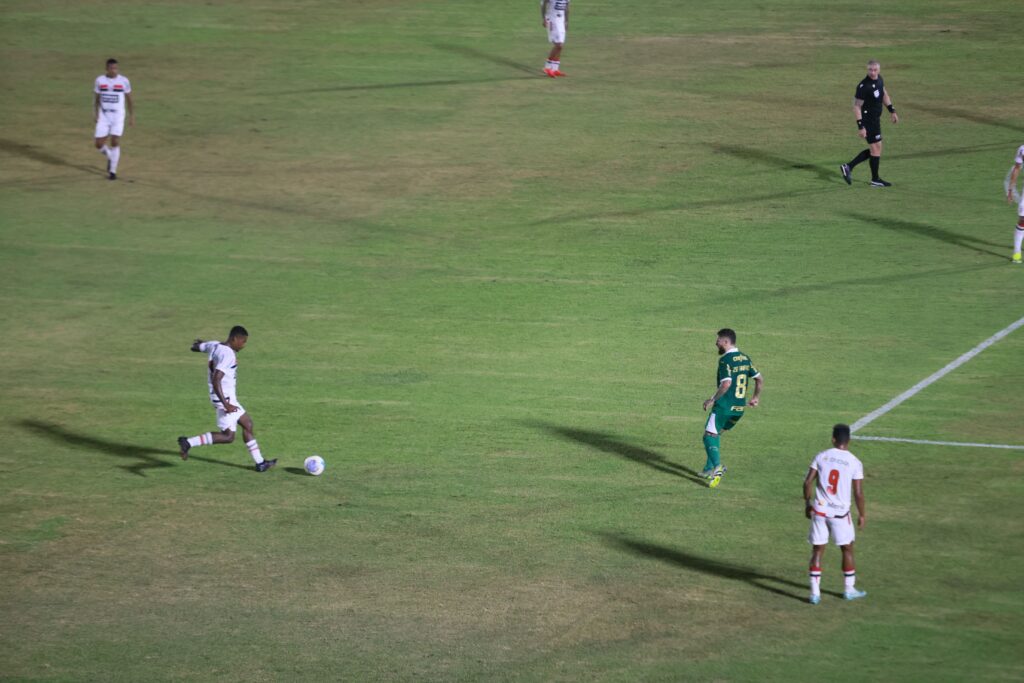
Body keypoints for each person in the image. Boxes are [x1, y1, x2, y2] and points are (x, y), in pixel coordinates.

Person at [177, 326, 277, 472]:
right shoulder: (228, 354)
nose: (243, 345)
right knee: (228, 437)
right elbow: (217, 379)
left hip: (225, 398)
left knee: (247, 424)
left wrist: (199, 344)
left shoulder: (215, 345)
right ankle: (188, 442)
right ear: (235, 339)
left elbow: (195, 347)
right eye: (243, 342)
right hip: (225, 399)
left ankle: (260, 463)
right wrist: (227, 404)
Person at [803, 424, 867, 604]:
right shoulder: (855, 462)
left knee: (817, 549)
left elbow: (807, 482)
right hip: (839, 514)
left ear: (833, 439)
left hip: (820, 510)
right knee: (847, 548)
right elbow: (859, 493)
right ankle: (849, 589)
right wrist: (862, 514)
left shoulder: (822, 456)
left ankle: (814, 594)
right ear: (849, 441)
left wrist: (808, 504)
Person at [700, 328, 763, 488]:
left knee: (708, 436)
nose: (716, 342)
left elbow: (726, 384)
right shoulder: (745, 358)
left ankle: (717, 467)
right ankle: (708, 469)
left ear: (726, 342)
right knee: (717, 433)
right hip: (739, 409)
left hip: (724, 406)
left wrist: (712, 399)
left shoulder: (725, 360)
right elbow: (759, 379)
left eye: (718, 340)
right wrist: (755, 398)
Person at [840, 60, 899, 188]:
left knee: (877, 148)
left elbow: (883, 94)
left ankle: (849, 167)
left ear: (879, 70)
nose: (872, 72)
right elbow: (856, 107)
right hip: (868, 120)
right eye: (870, 70)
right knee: (876, 148)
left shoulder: (879, 80)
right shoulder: (864, 86)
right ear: (867, 70)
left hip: (875, 119)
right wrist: (861, 126)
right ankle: (874, 179)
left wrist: (892, 110)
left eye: (875, 70)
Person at [93, 58, 134, 180]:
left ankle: (113, 171)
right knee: (98, 144)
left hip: (118, 115)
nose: (114, 71)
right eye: (111, 68)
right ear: (106, 68)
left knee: (115, 141)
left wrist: (132, 116)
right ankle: (110, 156)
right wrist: (95, 113)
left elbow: (129, 99)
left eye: (116, 68)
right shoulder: (100, 80)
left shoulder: (124, 81)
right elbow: (96, 99)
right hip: (104, 114)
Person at [541, 0, 570, 77]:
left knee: (561, 45)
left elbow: (567, 7)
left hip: (561, 20)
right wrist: (543, 18)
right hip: (553, 20)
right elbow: (543, 3)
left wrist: (566, 21)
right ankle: (547, 67)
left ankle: (555, 69)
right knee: (558, 45)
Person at [1007, 144, 1024, 264]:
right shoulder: (1023, 149)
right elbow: (1017, 168)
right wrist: (1010, 189)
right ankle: (1017, 251)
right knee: (1023, 219)